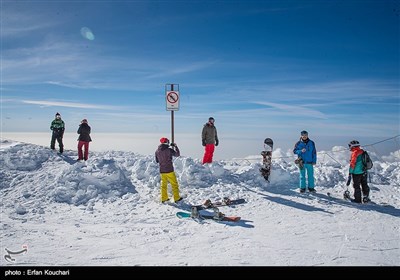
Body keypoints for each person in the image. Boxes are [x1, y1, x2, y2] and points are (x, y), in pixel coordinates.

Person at [155, 137, 182, 203]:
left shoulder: (157, 151)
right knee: (174, 184)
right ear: (167, 142)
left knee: (163, 185)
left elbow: (157, 161)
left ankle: (164, 198)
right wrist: (175, 146)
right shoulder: (169, 150)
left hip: (162, 171)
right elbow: (177, 154)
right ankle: (176, 198)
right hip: (169, 170)